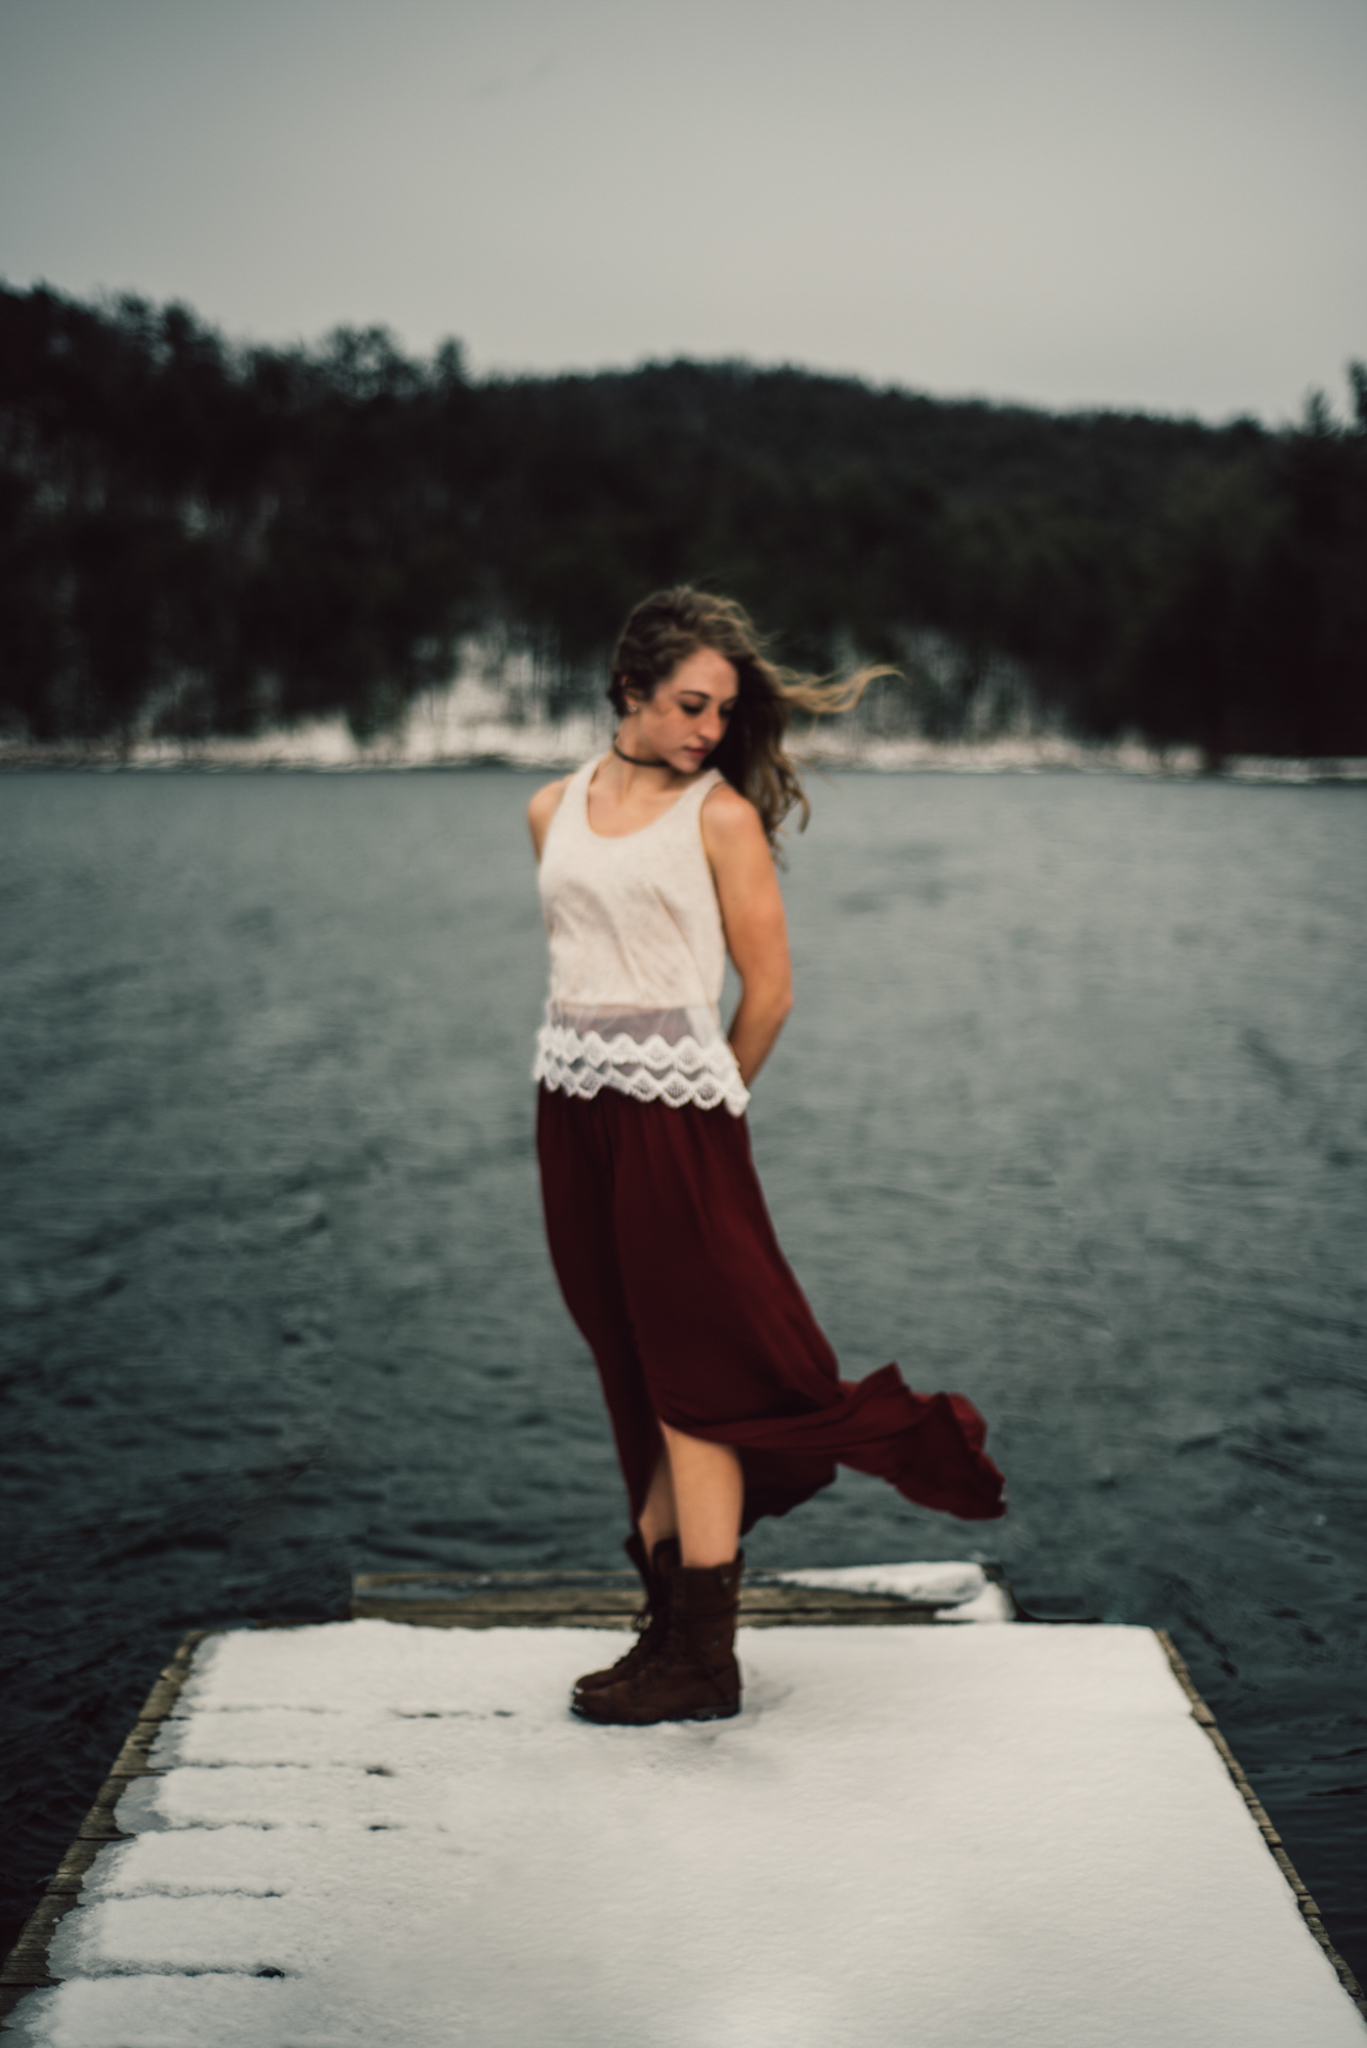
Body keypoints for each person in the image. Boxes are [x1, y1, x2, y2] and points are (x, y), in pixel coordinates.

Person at [528, 587, 1005, 1728]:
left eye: (722, 709)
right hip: (567, 1109)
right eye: (691, 703)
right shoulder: (550, 808)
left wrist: (707, 1109)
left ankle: (703, 1657)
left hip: (675, 1115)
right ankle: (664, 1629)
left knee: (695, 1374)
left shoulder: (720, 815)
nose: (706, 726)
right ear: (629, 687)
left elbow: (770, 990)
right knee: (629, 1369)